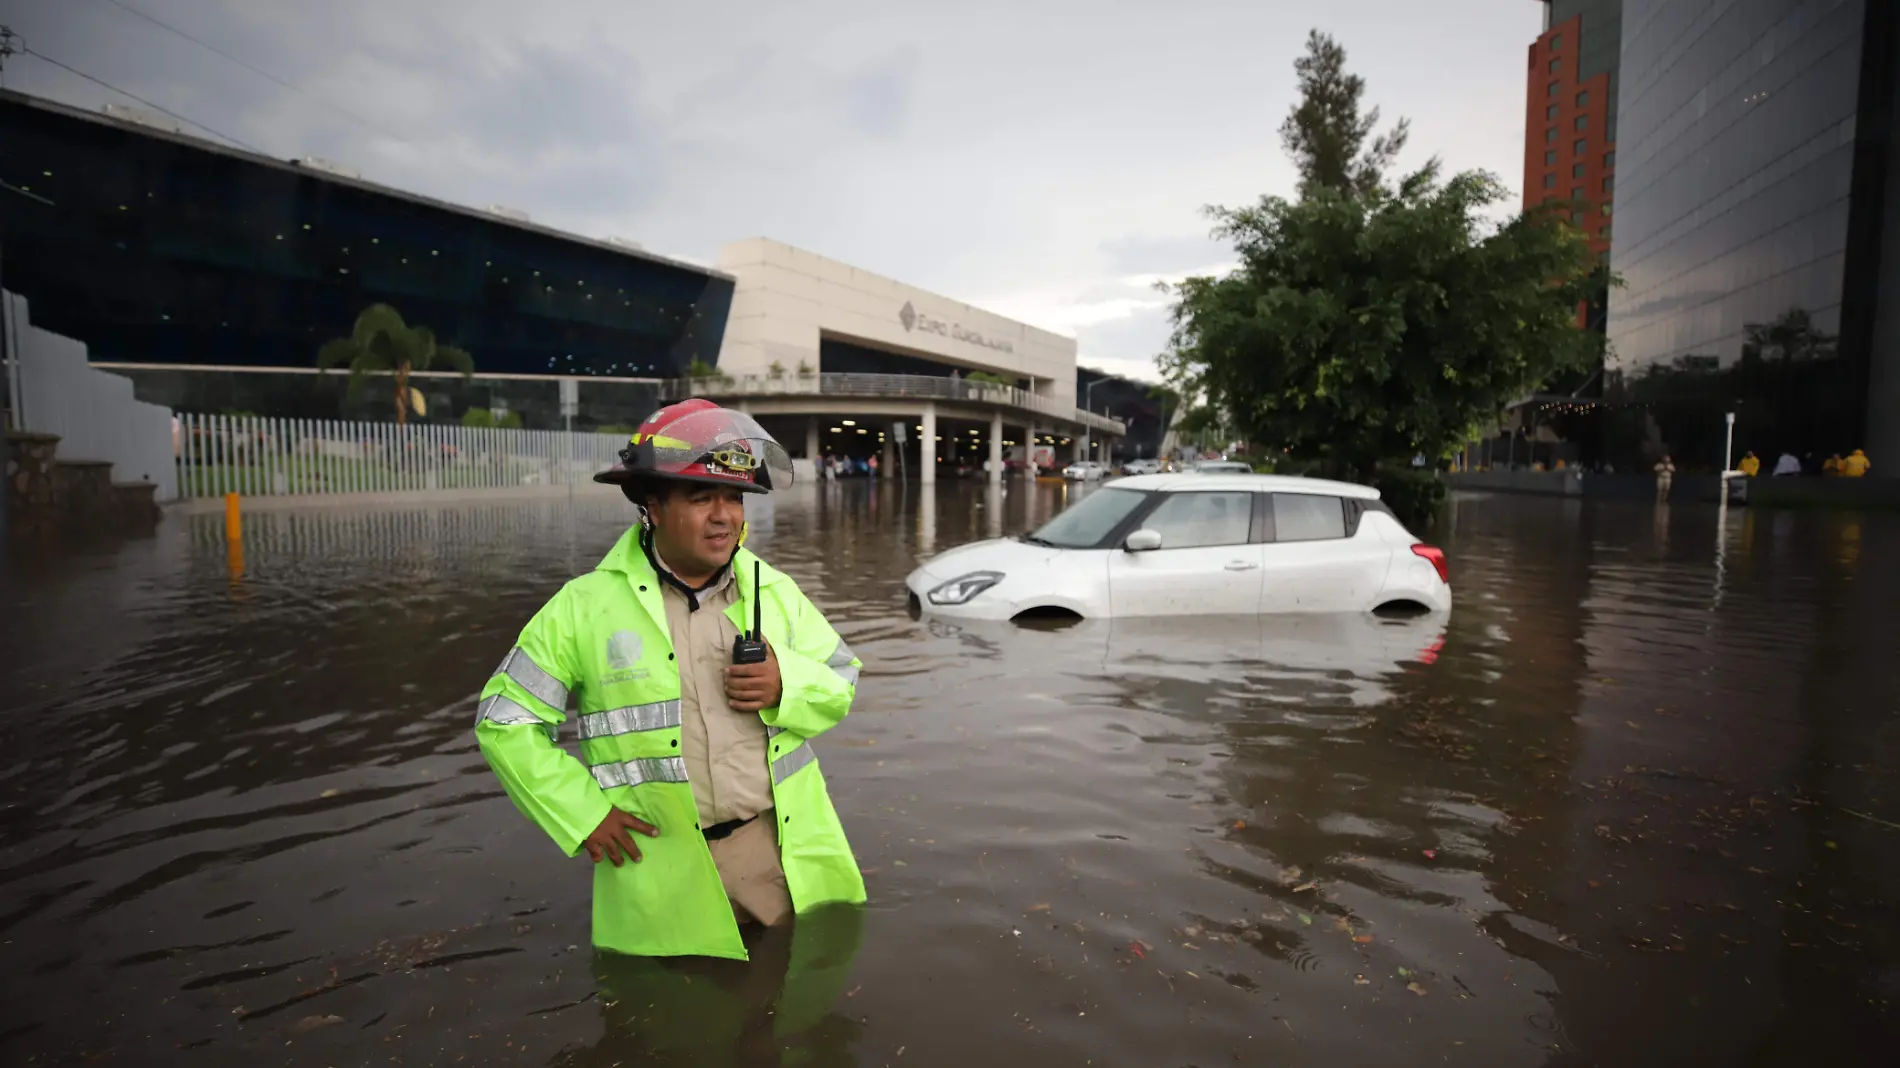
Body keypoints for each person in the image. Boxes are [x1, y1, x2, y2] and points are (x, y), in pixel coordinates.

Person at [474, 399, 865, 960]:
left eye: (733, 497)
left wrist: (787, 687)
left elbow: (841, 677)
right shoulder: (584, 607)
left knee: (788, 1015)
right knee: (671, 1025)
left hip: (773, 851)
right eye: (701, 497)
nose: (724, 516)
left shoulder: (774, 592)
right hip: (653, 864)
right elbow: (504, 721)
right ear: (653, 505)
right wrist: (586, 816)